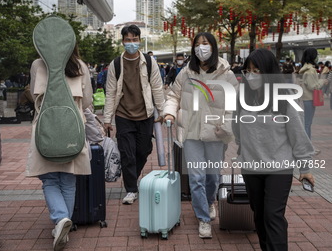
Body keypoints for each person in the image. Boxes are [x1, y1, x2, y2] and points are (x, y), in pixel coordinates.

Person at [232, 48, 315, 251]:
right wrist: (243, 148)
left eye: (257, 70)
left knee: (272, 214)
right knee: (259, 214)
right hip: (251, 166)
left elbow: (298, 134)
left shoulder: (285, 97)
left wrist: (305, 167)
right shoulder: (243, 96)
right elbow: (237, 126)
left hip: (279, 167)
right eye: (248, 70)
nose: (251, 75)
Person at [164, 32, 238, 239]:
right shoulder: (186, 73)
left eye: (205, 44)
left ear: (213, 47)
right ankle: (203, 218)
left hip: (216, 133)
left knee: (213, 177)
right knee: (196, 177)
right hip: (191, 132)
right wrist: (169, 112)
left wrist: (226, 126)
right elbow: (173, 95)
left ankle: (210, 200)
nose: (201, 48)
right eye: (197, 45)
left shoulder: (226, 73)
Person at [26, 44, 93, 250]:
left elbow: (31, 94)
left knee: (49, 178)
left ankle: (60, 219)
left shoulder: (38, 64)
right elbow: (88, 100)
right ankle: (63, 222)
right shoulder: (79, 65)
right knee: (68, 178)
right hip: (72, 128)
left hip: (46, 127)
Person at [103, 25, 164, 205]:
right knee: (127, 153)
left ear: (139, 40)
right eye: (128, 40)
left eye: (134, 39)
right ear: (122, 41)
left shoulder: (149, 62)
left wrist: (163, 111)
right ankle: (131, 189)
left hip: (146, 114)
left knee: (143, 150)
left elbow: (157, 87)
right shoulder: (115, 64)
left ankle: (132, 177)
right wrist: (107, 119)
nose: (131, 43)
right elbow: (111, 92)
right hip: (123, 115)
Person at [299, 48, 327, 154]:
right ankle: (307, 147)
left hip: (307, 98)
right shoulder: (310, 71)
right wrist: (322, 81)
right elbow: (313, 86)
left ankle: (308, 146)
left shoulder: (305, 69)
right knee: (307, 124)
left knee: (307, 123)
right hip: (310, 98)